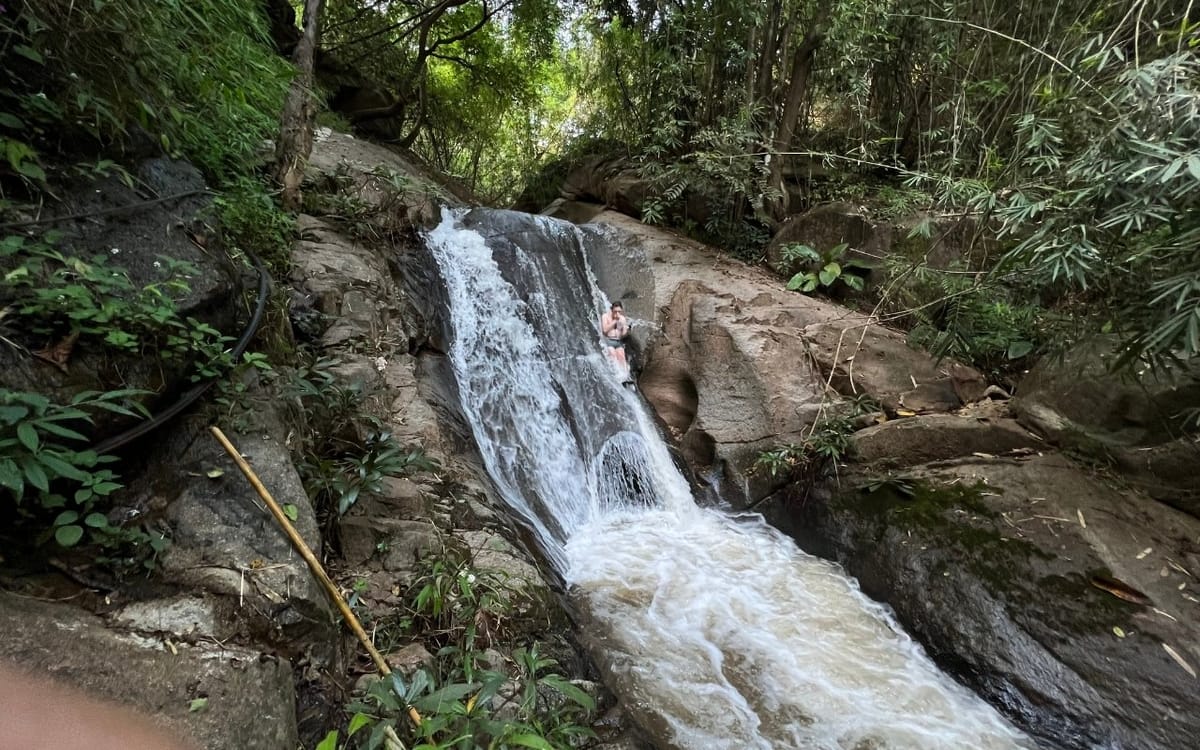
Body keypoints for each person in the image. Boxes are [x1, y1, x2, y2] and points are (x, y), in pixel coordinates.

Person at [600, 300, 632, 379]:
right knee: (613, 354)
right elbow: (604, 330)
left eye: (619, 312)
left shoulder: (622, 319)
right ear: (611, 310)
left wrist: (626, 330)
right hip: (609, 340)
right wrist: (615, 321)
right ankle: (616, 375)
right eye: (615, 311)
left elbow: (623, 334)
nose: (617, 314)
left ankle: (625, 377)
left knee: (621, 355)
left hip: (618, 341)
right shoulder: (605, 316)